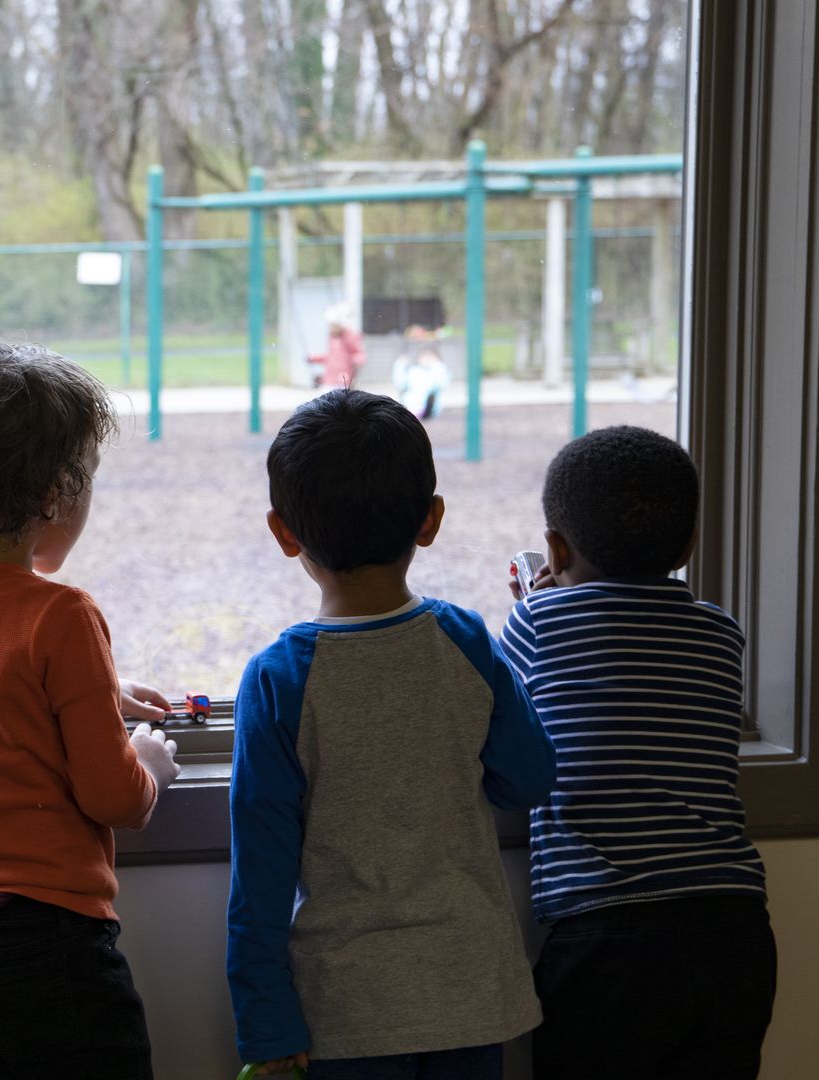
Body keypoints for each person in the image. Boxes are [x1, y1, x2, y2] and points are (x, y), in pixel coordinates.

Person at [228, 389, 556, 1078]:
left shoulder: (279, 679)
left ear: (284, 533)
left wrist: (265, 1021)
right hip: (471, 992)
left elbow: (260, 875)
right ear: (431, 520)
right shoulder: (464, 640)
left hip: (346, 1012)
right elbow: (527, 777)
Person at [0, 341, 181, 1078]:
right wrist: (149, 764)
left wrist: (98, 695)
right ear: (55, 493)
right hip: (44, 942)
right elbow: (115, 799)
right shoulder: (63, 616)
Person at [504, 426, 774, 1079]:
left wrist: (533, 605)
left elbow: (503, 719)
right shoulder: (721, 633)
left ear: (555, 547)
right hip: (733, 929)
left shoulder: (536, 622)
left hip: (604, 936)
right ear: (688, 544)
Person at [310, 302, 366, 389]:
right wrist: (313, 358)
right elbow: (331, 357)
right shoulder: (333, 338)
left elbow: (359, 356)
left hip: (342, 381)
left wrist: (355, 362)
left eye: (333, 325)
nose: (330, 328)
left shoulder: (351, 337)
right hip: (329, 380)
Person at [395, 346, 450, 420]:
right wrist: (400, 365)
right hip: (411, 405)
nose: (427, 359)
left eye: (430, 356)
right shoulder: (413, 371)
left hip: (428, 408)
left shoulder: (435, 372)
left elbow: (443, 384)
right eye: (424, 356)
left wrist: (438, 366)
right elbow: (400, 383)